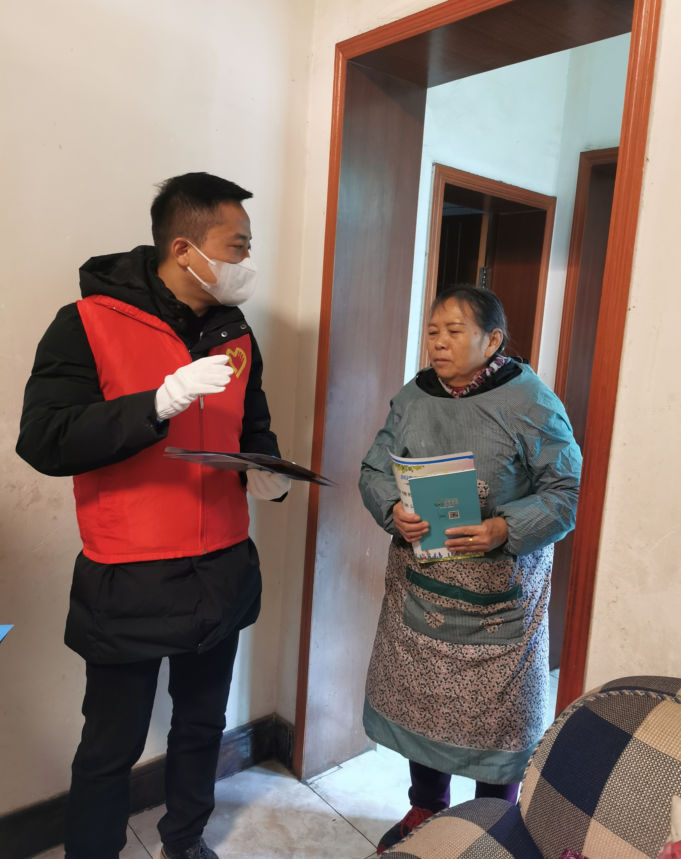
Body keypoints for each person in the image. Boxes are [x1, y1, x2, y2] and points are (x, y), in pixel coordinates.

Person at [16, 173, 290, 859]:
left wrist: (266, 469)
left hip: (222, 566)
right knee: (110, 746)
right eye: (237, 245)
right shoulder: (86, 323)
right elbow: (44, 440)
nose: (247, 260)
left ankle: (185, 841)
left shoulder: (234, 330)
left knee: (201, 726)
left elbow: (252, 424)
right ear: (184, 248)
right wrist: (155, 404)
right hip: (129, 576)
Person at [358, 285, 582, 854]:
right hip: (422, 591)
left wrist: (504, 528)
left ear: (493, 340)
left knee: (496, 721)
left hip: (497, 607)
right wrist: (392, 508)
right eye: (433, 331)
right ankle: (426, 808)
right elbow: (374, 469)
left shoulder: (531, 401)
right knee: (424, 704)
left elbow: (564, 492)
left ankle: (492, 825)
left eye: (454, 331)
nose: (438, 342)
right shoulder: (414, 396)